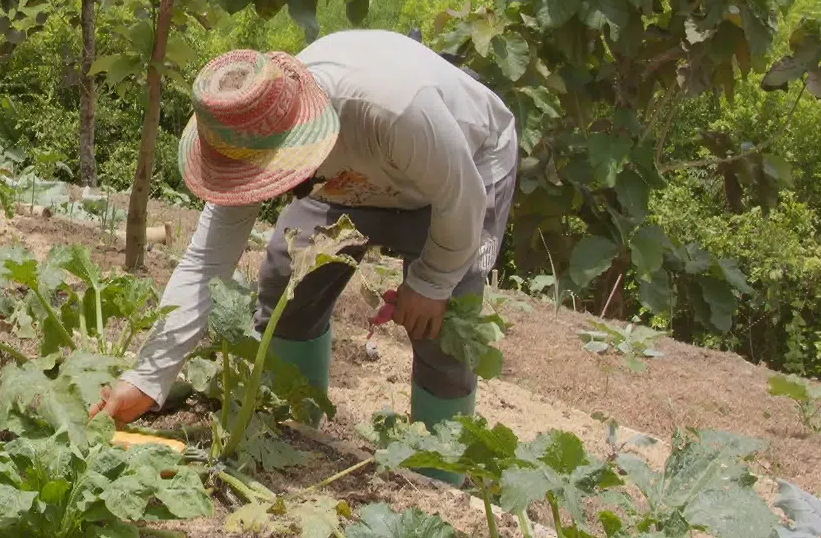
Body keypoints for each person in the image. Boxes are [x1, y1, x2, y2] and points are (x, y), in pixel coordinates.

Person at [91, 30, 518, 442]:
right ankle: (298, 427)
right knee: (285, 279)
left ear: (295, 145)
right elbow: (207, 260)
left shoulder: (395, 109)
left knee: (441, 329)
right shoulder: (248, 129)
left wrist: (432, 282)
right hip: (355, 170)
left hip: (463, 170)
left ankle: (440, 471)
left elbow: (461, 196)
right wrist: (147, 377)